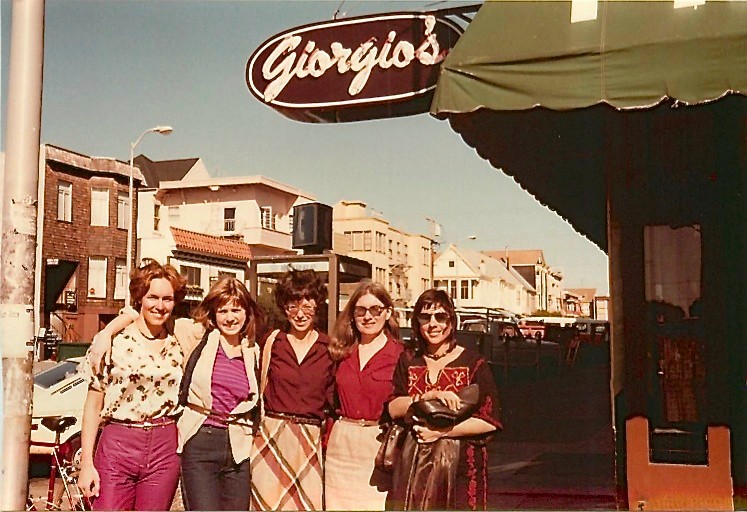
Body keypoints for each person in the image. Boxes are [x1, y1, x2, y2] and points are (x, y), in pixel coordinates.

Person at [89, 276, 262, 510]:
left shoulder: (254, 350)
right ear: (213, 312)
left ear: (246, 312)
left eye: (236, 310)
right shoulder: (192, 334)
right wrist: (106, 333)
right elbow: (139, 313)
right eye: (223, 310)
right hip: (199, 437)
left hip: (237, 444)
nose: (230, 317)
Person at [78, 261, 187, 511]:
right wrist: (86, 464)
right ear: (140, 298)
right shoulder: (113, 342)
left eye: (167, 299)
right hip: (118, 443)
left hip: (164, 445)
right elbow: (93, 405)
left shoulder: (179, 338)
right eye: (153, 297)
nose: (160, 306)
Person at [387, 289, 502, 511]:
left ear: (451, 321)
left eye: (441, 317)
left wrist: (441, 431)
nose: (433, 324)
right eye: (425, 317)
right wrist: (424, 398)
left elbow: (490, 419)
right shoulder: (410, 359)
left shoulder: (473, 363)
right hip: (412, 467)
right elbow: (393, 407)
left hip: (461, 468)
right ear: (417, 321)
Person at [251, 269, 335, 511]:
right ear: (283, 307)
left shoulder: (328, 348)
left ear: (317, 305)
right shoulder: (271, 342)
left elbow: (333, 401)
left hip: (310, 440)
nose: (300, 314)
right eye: (292, 306)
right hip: (270, 438)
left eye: (307, 306)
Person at [325, 280, 404, 510]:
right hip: (341, 446)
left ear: (387, 312)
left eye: (375, 310)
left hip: (378, 445)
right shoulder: (340, 351)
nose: (368, 317)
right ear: (352, 314)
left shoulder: (400, 355)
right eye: (361, 310)